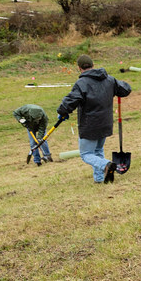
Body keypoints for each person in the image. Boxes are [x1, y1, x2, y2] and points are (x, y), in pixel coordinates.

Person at [57, 54, 131, 184]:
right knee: (97, 150)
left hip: (89, 125)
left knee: (86, 154)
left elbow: (71, 100)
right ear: (93, 65)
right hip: (105, 123)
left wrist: (62, 112)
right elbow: (125, 89)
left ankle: (106, 165)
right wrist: (119, 85)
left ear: (79, 68)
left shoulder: (81, 83)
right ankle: (99, 178)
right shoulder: (109, 79)